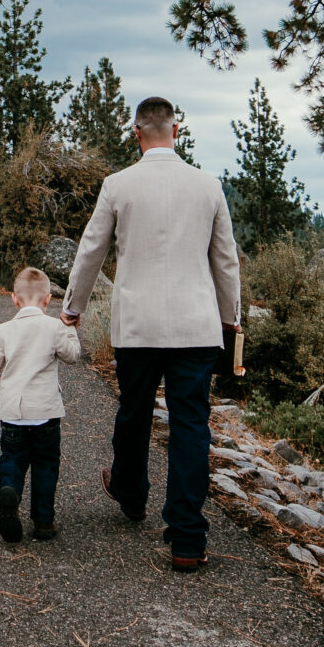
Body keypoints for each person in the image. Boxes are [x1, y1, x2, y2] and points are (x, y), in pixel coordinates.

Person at [60, 95, 242, 572]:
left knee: (134, 410)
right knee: (190, 427)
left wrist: (72, 310)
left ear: (137, 134)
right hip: (196, 326)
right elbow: (225, 260)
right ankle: (186, 539)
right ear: (175, 131)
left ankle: (131, 491)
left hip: (138, 326)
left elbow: (91, 250)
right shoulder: (208, 186)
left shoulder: (118, 185)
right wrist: (231, 318)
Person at [0, 267, 84, 543]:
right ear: (48, 299)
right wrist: (70, 329)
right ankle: (44, 521)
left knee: (12, 458)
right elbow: (72, 356)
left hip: (14, 413)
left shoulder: (3, 331)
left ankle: (10, 488)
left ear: (14, 299)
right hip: (46, 412)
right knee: (46, 465)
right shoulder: (54, 326)